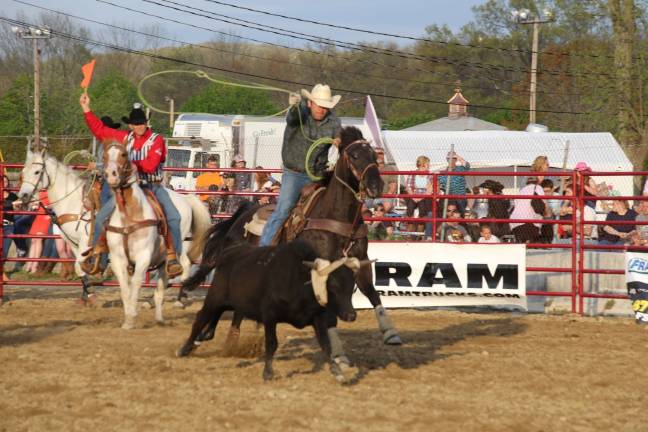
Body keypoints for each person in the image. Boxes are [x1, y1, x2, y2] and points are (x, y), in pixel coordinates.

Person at [79, 95, 183, 277]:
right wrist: (87, 109)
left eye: (141, 123)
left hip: (152, 187)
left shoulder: (156, 140)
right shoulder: (125, 138)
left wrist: (136, 165)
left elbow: (151, 165)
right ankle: (98, 258)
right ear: (130, 126)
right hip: (129, 189)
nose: (139, 126)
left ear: (146, 123)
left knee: (173, 217)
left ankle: (173, 257)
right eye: (135, 124)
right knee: (103, 216)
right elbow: (101, 131)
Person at [259, 84, 342, 246]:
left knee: (328, 211)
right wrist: (295, 105)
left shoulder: (333, 121)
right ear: (310, 103)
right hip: (294, 174)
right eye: (319, 105)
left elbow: (339, 133)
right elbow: (292, 117)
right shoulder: (301, 113)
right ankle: (264, 249)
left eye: (325, 106)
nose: (322, 109)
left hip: (318, 175)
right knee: (283, 210)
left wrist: (339, 139)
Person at [404, 155, 433, 239]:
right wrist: (414, 197)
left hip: (424, 197)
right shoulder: (412, 174)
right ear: (422, 165)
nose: (429, 166)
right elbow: (408, 187)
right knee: (410, 206)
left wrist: (420, 198)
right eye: (428, 164)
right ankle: (409, 234)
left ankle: (419, 234)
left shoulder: (430, 175)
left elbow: (429, 191)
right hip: (413, 195)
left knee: (423, 208)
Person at [509, 177, 545, 244]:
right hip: (529, 221)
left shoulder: (522, 190)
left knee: (522, 245)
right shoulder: (538, 188)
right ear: (538, 181)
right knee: (530, 244)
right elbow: (543, 205)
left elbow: (515, 205)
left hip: (515, 222)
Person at [24, 190, 51, 274]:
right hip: (38, 216)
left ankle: (35, 265)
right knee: (33, 240)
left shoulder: (51, 191)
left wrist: (47, 209)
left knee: (38, 240)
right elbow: (32, 203)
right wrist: (33, 204)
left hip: (46, 216)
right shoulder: (39, 191)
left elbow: (54, 205)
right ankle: (29, 264)